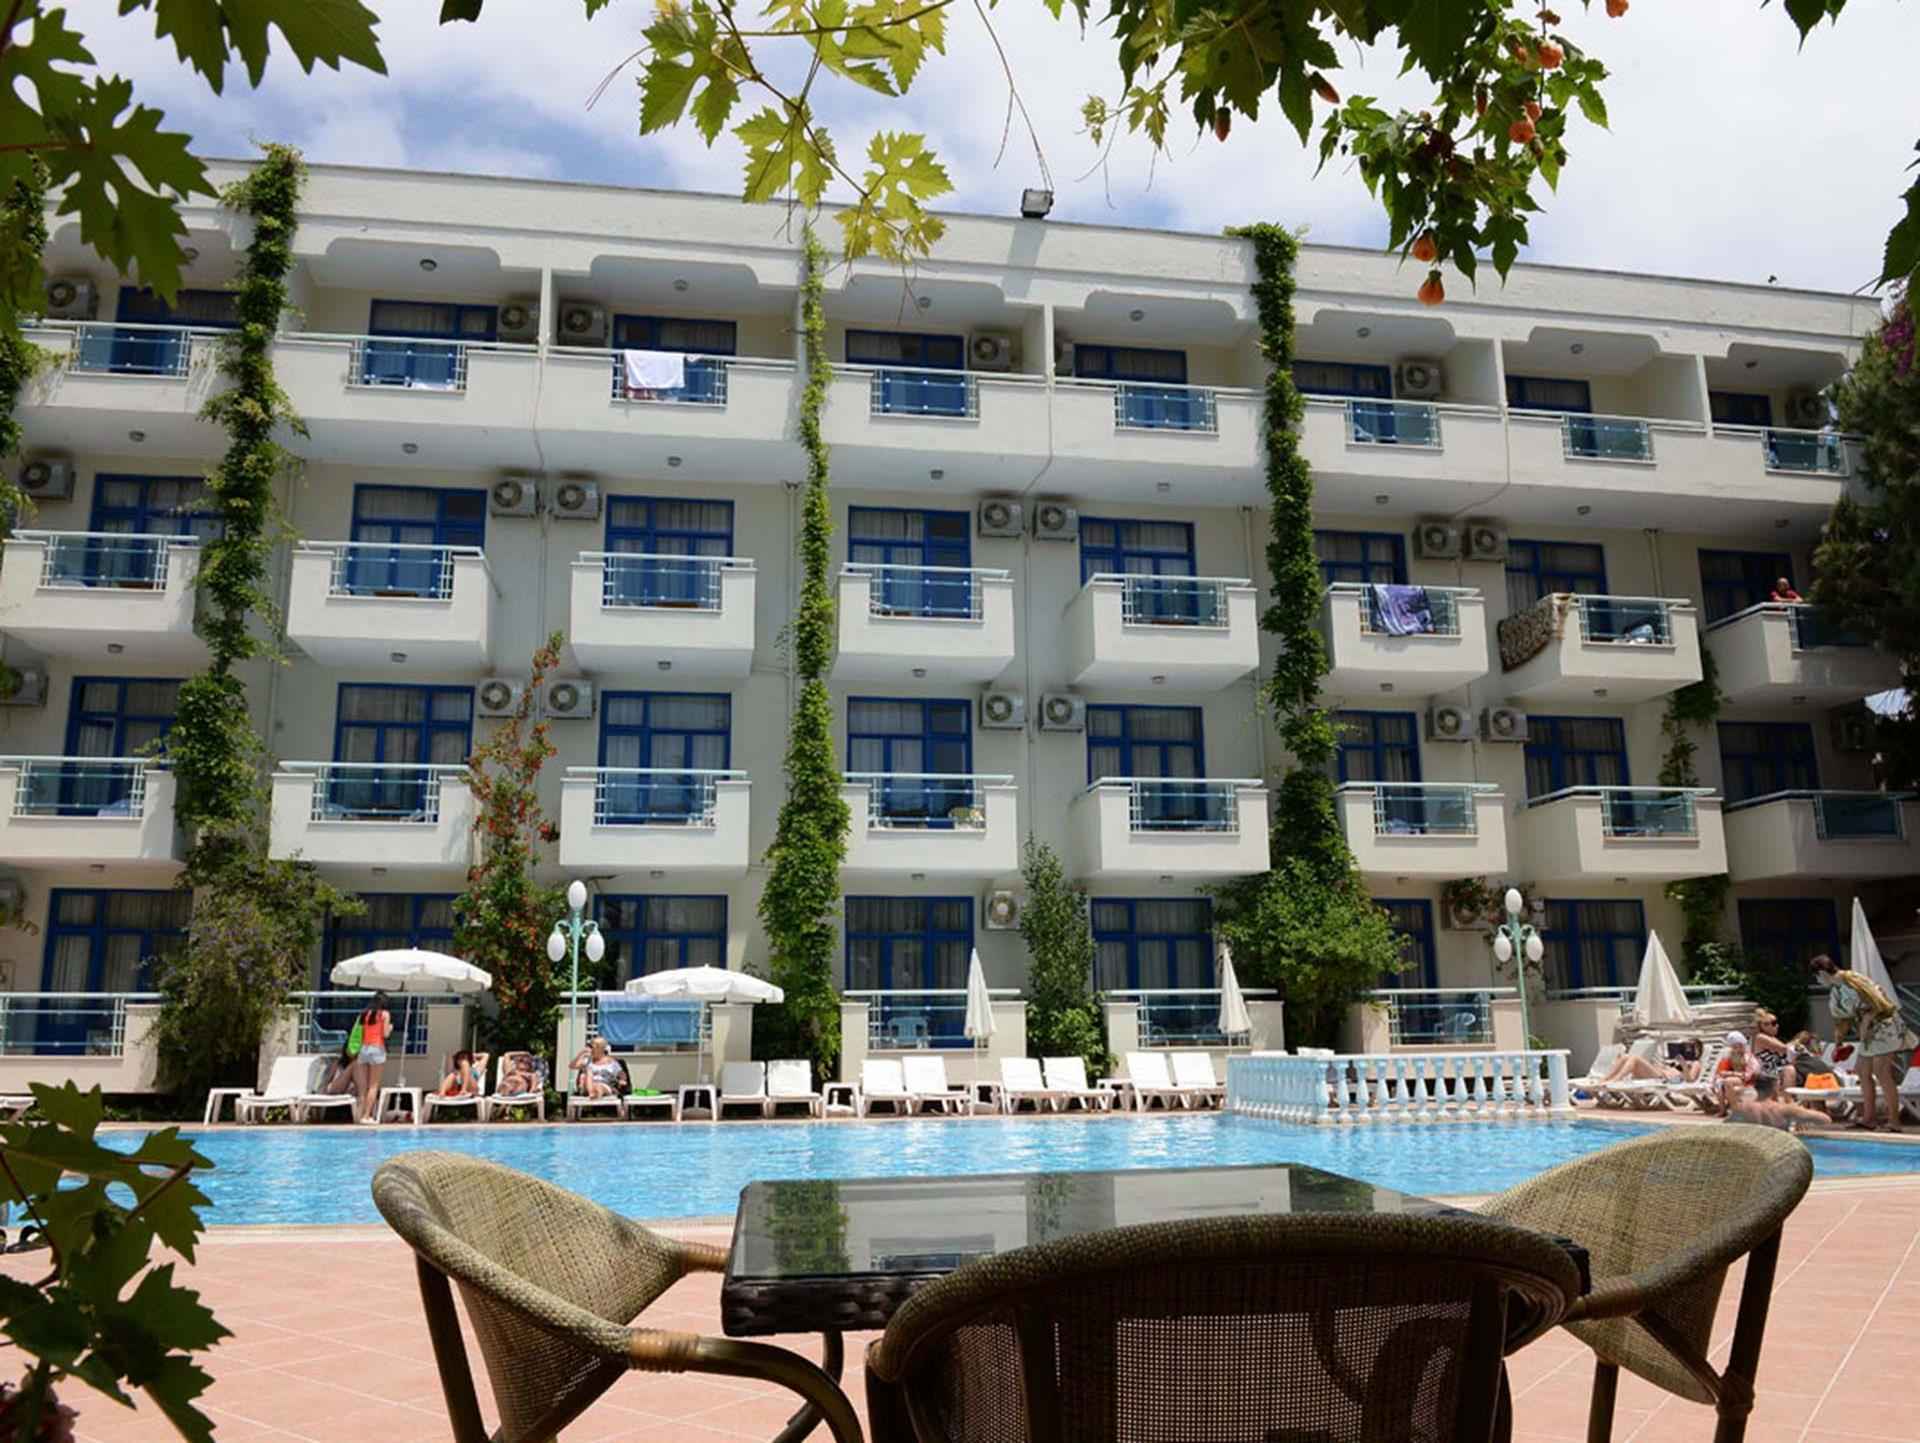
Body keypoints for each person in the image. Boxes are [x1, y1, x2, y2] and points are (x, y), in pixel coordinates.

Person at [1810, 952, 1914, 1133]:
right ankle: (1869, 1118)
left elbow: (1879, 1003)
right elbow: (1841, 1020)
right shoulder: (1836, 991)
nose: (1818, 981)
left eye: (1817, 977)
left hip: (1885, 1027)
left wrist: (1865, 1022)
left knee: (1881, 1072)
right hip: (1868, 1034)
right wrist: (1838, 1043)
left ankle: (1894, 1121)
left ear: (1822, 973)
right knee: (1862, 1071)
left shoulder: (1853, 979)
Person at [1728, 1075, 1837, 1133]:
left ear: (1756, 1088)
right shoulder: (1784, 1109)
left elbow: (1727, 1126)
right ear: (1775, 1088)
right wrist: (1800, 1114)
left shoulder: (1741, 1108)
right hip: (1778, 1151)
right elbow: (1825, 1120)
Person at [349, 992, 394, 1125]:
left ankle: (360, 1115)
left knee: (363, 1087)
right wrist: (390, 1028)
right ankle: (367, 1116)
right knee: (373, 1086)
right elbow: (385, 1034)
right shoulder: (384, 1014)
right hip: (377, 1049)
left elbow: (361, 1033)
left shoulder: (364, 1014)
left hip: (364, 1049)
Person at [1749, 1010, 1798, 1091]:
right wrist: (1798, 1041)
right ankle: (1786, 1097)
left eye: (1776, 1022)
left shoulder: (1771, 1037)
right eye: (1774, 1023)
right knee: (1790, 1069)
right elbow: (1784, 1048)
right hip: (1766, 1070)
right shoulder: (1760, 1037)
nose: (1777, 1026)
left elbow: (1786, 1049)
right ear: (1763, 1026)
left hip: (1776, 1068)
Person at [1712, 1031, 1760, 1114]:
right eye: (1733, 1046)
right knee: (1720, 1082)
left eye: (1736, 1046)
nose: (1734, 1049)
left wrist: (1731, 1074)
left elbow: (1748, 1075)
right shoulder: (1731, 1055)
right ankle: (1723, 1109)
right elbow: (1721, 1070)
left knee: (1727, 1081)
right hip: (1737, 1079)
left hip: (1747, 1080)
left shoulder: (1748, 1057)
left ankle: (1734, 1110)